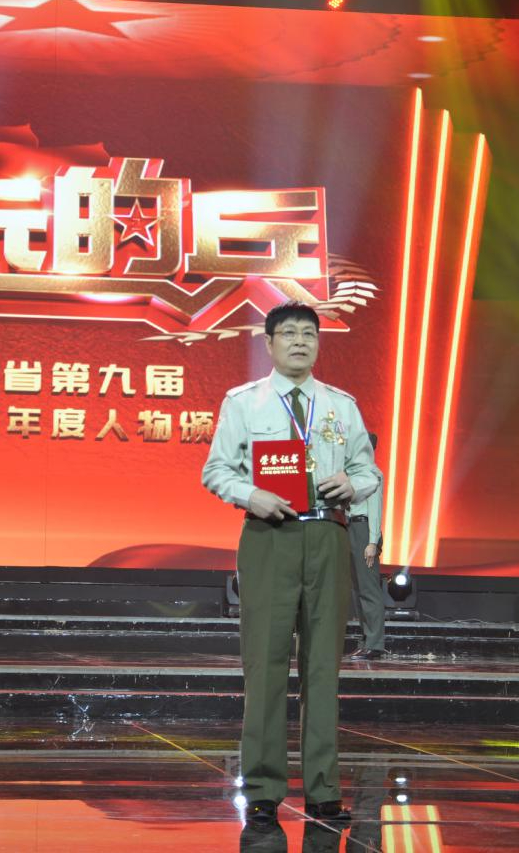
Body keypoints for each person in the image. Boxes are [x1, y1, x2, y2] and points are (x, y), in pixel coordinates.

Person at [203, 301, 379, 826]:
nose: (300, 341)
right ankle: (262, 788)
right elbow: (216, 470)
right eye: (289, 333)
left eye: (309, 334)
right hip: (269, 534)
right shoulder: (244, 402)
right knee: (265, 663)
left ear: (318, 344)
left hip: (327, 534)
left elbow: (368, 471)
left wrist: (353, 484)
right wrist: (250, 495)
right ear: (270, 343)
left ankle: (324, 790)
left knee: (323, 665)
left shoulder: (340, 405)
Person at [347, 433, 385, 660]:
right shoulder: (354, 474)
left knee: (368, 588)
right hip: (350, 528)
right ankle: (366, 640)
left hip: (364, 530)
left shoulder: (372, 473)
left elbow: (375, 509)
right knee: (357, 589)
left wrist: (372, 541)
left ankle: (375, 643)